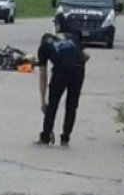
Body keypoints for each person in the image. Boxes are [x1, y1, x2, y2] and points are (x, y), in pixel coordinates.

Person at [35, 13, 89, 147]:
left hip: (61, 72)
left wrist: (43, 100)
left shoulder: (45, 45)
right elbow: (86, 56)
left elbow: (43, 75)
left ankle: (46, 137)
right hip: (78, 69)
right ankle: (65, 138)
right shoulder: (72, 37)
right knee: (72, 105)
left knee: (53, 104)